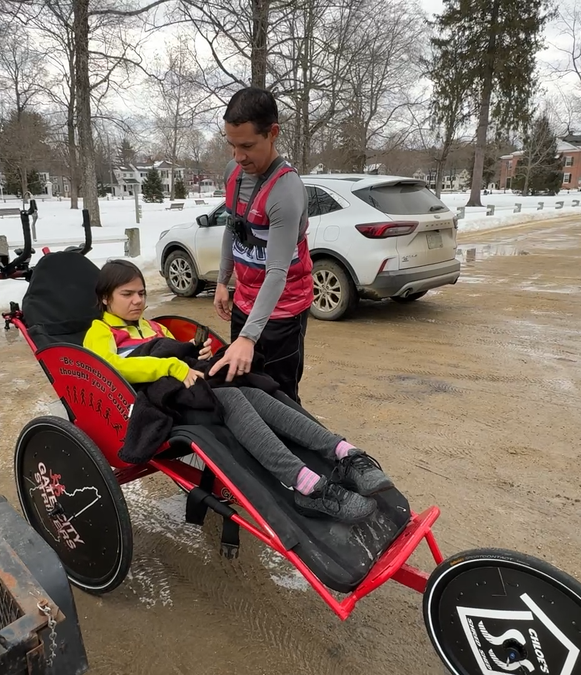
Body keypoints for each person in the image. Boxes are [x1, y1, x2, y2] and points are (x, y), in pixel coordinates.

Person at [84, 260, 393, 524]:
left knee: (254, 391)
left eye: (141, 293)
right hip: (160, 400)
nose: (137, 300)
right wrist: (171, 366)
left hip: (192, 386)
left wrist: (193, 352)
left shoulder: (155, 327)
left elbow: (177, 354)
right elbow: (111, 367)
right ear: (105, 299)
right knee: (231, 398)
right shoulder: (100, 332)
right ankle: (305, 484)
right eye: (127, 294)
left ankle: (343, 453)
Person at [209, 87, 313, 404]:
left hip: (283, 311)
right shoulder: (234, 172)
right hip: (245, 303)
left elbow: (277, 273)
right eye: (232, 145)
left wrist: (248, 337)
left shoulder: (285, 190)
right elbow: (233, 227)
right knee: (244, 388)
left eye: (247, 146)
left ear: (273, 133)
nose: (238, 156)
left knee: (280, 397)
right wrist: (222, 281)